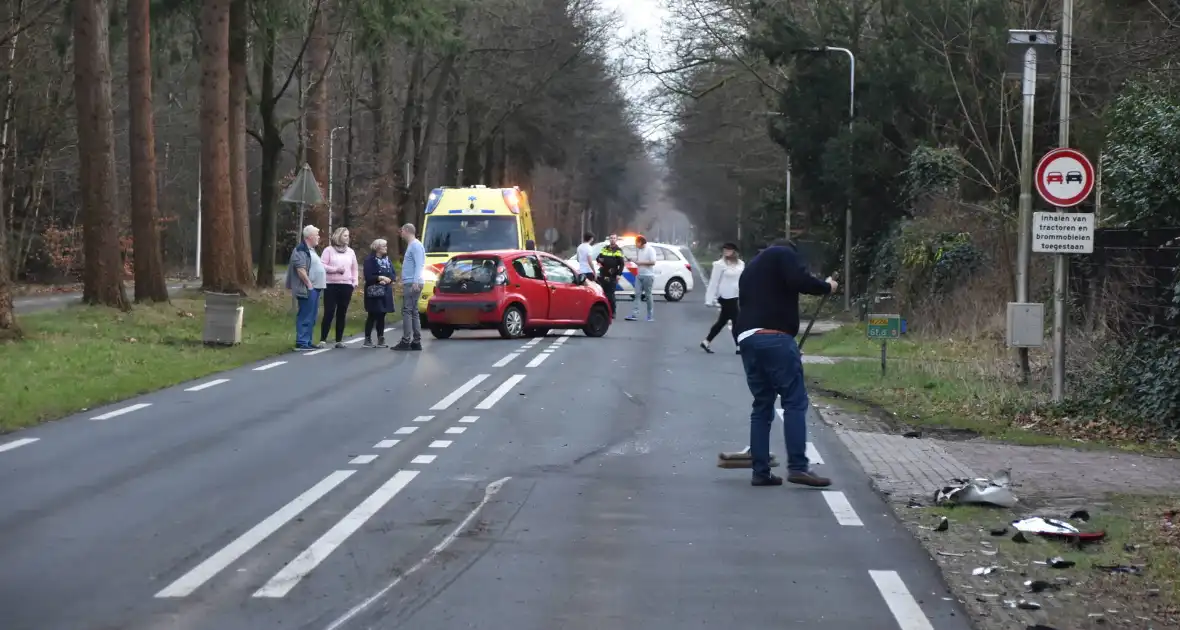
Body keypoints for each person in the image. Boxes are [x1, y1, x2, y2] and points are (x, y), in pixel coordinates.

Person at [733, 239, 838, 487]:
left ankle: (760, 471)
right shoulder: (783, 253)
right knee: (794, 401)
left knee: (762, 405)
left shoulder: (749, 269)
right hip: (775, 338)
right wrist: (827, 287)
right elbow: (799, 280)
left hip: (747, 339)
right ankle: (799, 467)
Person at [285, 225, 327, 350]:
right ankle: (302, 342)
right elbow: (301, 269)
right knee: (305, 315)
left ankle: (307, 341)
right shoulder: (301, 250)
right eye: (317, 235)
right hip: (308, 288)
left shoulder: (312, 250)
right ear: (309, 237)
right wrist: (309, 285)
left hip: (316, 288)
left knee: (312, 315)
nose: (319, 237)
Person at [319, 227, 359, 348]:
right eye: (345, 236)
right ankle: (322, 340)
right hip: (331, 285)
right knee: (329, 312)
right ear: (339, 236)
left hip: (346, 285)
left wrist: (354, 282)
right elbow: (322, 265)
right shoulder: (328, 250)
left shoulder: (351, 252)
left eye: (348, 235)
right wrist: (335, 270)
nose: (348, 238)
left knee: (342, 312)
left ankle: (339, 340)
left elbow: (354, 268)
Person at [702, 242, 744, 354]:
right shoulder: (719, 264)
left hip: (735, 295)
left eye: (729, 250)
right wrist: (709, 299)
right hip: (725, 296)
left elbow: (743, 280)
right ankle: (739, 346)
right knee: (736, 320)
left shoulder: (740, 264)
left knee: (723, 321)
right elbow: (713, 282)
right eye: (725, 250)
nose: (726, 252)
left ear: (734, 252)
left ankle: (706, 341)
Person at [393, 223, 425, 351]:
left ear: (406, 231)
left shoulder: (415, 245)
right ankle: (416, 341)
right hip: (411, 280)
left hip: (413, 282)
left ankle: (406, 340)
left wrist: (416, 281)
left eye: (402, 231)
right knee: (413, 311)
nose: (401, 233)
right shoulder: (412, 245)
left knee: (407, 310)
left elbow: (419, 264)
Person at [362, 238, 395, 348]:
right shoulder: (370, 260)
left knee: (382, 314)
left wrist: (389, 279)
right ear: (377, 248)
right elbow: (368, 276)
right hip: (374, 291)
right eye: (383, 246)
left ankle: (381, 337)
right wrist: (379, 278)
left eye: (386, 246)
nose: (386, 248)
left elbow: (393, 274)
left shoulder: (387, 260)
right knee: (372, 314)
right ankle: (367, 338)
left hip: (385, 290)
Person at [625, 234, 657, 322]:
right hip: (639, 275)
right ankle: (635, 314)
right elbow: (639, 259)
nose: (636, 245)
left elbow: (653, 262)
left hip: (648, 276)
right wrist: (633, 259)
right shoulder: (639, 250)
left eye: (636, 243)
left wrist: (640, 263)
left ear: (640, 242)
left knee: (648, 295)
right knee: (637, 294)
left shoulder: (650, 249)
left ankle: (650, 315)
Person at [596, 234, 625, 318]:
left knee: (611, 294)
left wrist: (619, 274)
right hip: (603, 274)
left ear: (616, 240)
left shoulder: (618, 250)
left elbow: (621, 264)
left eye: (614, 238)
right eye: (611, 238)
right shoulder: (605, 248)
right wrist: (602, 261)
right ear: (609, 239)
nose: (612, 239)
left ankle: (613, 312)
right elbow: (599, 258)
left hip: (612, 274)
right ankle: (604, 312)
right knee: (603, 294)